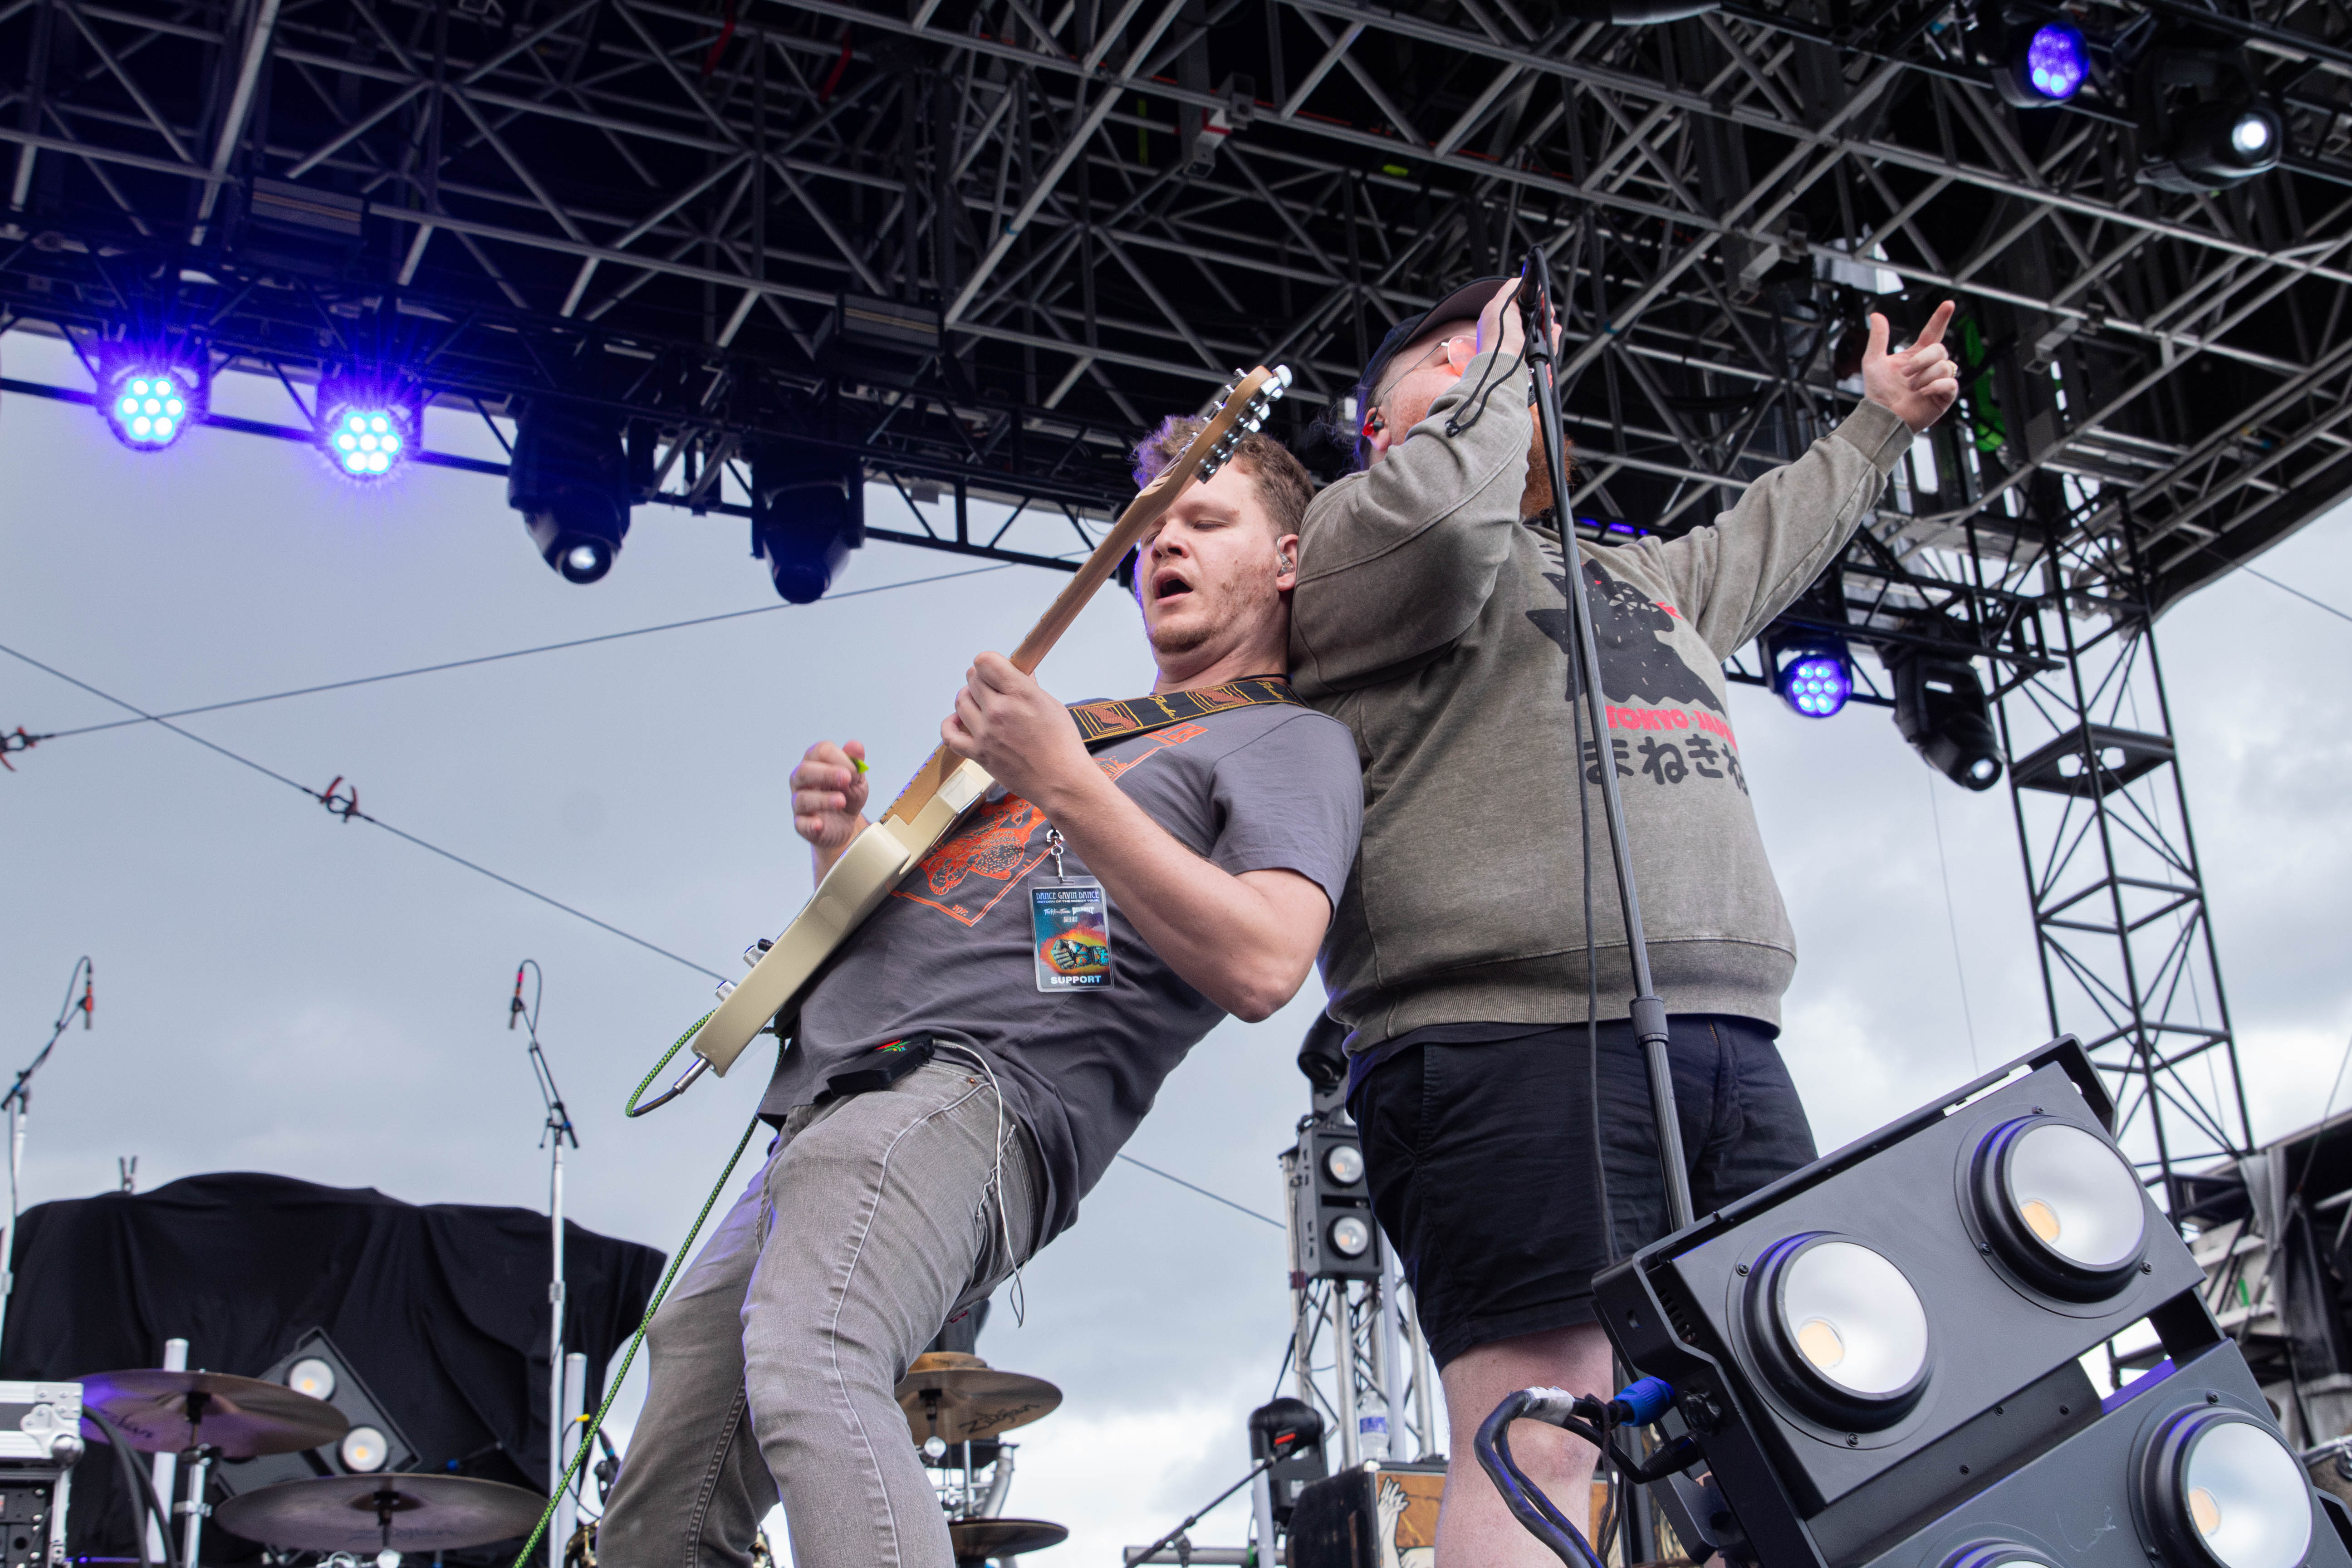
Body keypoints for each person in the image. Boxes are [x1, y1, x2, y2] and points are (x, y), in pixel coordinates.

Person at [598, 426, 1361, 1568]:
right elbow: (970, 926)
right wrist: (842, 848)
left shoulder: (1286, 740)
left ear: (1289, 559)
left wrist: (1061, 780)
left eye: (1206, 523)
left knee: (817, 1355)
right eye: (1150, 530)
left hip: (975, 1092)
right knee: (676, 1451)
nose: (1165, 547)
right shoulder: (1086, 731)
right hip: (834, 1096)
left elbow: (1266, 963)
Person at [1287, 275, 1959, 1562]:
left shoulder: (1634, 570)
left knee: (1814, 1399)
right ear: (1379, 428)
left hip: (1726, 1033)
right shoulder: (1353, 539)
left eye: (1505, 350)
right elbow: (1444, 526)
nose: (1498, 361)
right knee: (1544, 1434)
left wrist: (1878, 423)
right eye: (1449, 357)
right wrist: (1499, 364)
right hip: (1501, 1034)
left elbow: (1766, 537)